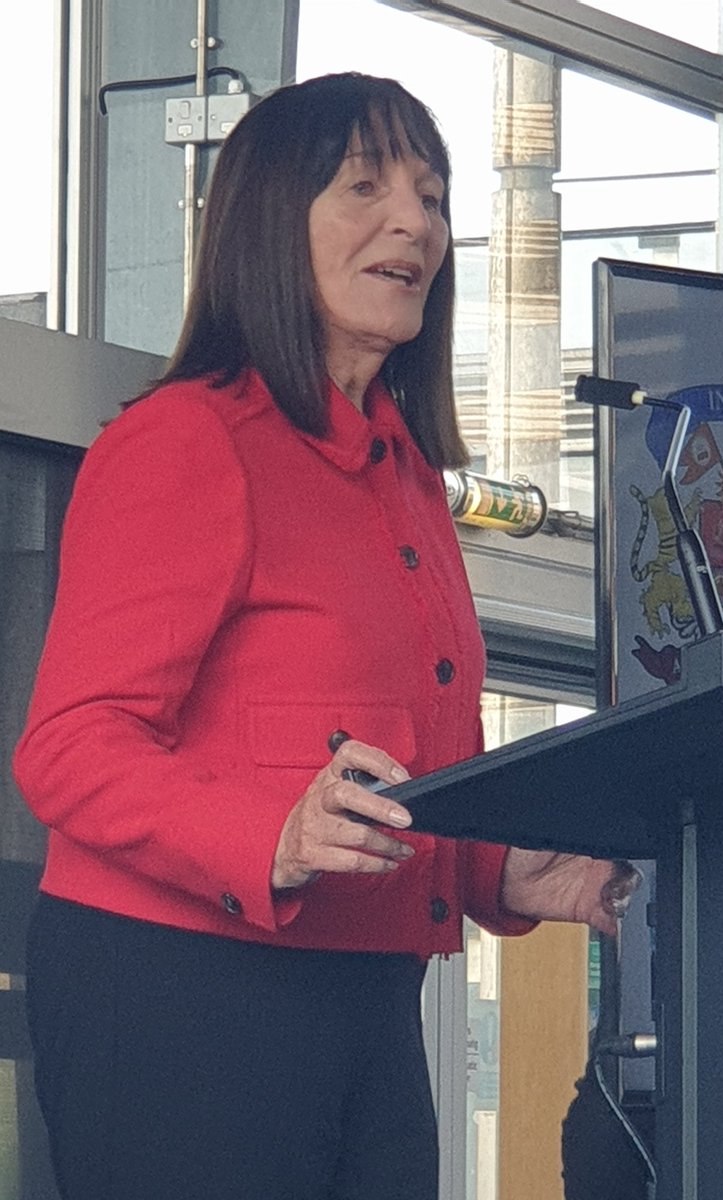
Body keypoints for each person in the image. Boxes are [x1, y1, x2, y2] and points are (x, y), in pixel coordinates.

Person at [14, 72, 638, 1200]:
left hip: (369, 998)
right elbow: (70, 747)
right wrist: (273, 833)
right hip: (181, 998)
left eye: (434, 197)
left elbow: (388, 774)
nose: (417, 223)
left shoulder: (405, 481)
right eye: (367, 186)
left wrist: (506, 870)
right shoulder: (187, 442)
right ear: (269, 220)